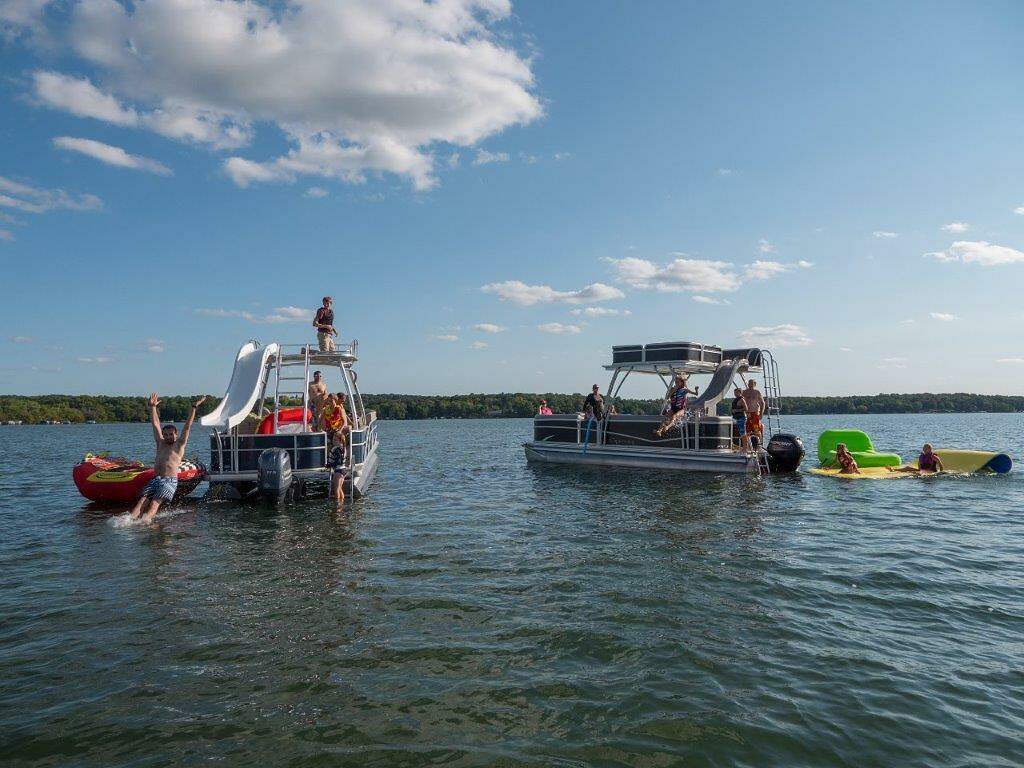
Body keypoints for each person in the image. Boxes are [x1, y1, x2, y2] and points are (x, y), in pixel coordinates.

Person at [129, 393, 206, 523]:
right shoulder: (160, 443)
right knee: (142, 500)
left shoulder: (179, 444)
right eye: (166, 434)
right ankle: (128, 521)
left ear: (176, 435)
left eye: (171, 434)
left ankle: (144, 523)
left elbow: (187, 426)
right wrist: (152, 407)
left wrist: (194, 407)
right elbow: (155, 424)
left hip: (169, 481)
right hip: (155, 479)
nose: (168, 436)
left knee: (154, 503)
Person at [327, 430, 347, 502]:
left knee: (336, 489)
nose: (333, 441)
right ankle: (342, 502)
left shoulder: (337, 449)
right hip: (343, 470)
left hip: (339, 470)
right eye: (333, 439)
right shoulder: (342, 448)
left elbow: (339, 461)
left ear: (340, 441)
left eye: (336, 440)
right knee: (340, 488)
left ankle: (338, 505)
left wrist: (329, 465)